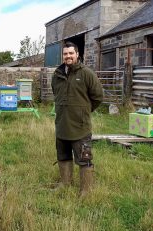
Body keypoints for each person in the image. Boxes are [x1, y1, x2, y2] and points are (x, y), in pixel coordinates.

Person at [51, 41, 103, 197]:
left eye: (71, 53)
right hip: (62, 124)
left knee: (84, 159)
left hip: (80, 126)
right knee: (63, 156)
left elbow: (98, 97)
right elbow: (56, 93)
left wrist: (84, 111)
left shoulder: (86, 73)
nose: (68, 56)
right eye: (65, 54)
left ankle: (86, 191)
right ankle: (65, 183)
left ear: (77, 54)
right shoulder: (57, 74)